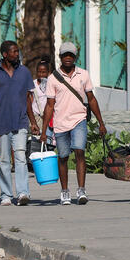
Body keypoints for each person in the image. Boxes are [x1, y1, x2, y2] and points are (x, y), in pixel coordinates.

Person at [43, 42, 107, 206]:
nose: (68, 58)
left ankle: (81, 189)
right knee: (63, 157)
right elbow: (50, 105)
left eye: (71, 55)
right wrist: (44, 131)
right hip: (60, 123)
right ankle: (65, 191)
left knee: (80, 151)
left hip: (79, 119)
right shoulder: (52, 78)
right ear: (60, 57)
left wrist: (101, 122)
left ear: (75, 57)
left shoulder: (83, 75)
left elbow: (91, 99)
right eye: (65, 55)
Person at [0, 41, 40, 206]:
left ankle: (23, 193)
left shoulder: (24, 72)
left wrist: (33, 122)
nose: (17, 54)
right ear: (5, 54)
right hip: (1, 123)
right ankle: (6, 194)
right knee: (4, 160)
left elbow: (28, 99)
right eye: (14, 52)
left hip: (21, 122)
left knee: (21, 157)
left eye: (18, 51)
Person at [32, 59, 54, 146]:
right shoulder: (33, 84)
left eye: (44, 72)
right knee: (37, 141)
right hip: (37, 116)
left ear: (48, 73)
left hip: (48, 117)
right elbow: (29, 102)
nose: (41, 75)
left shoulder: (51, 84)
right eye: (39, 72)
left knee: (48, 140)